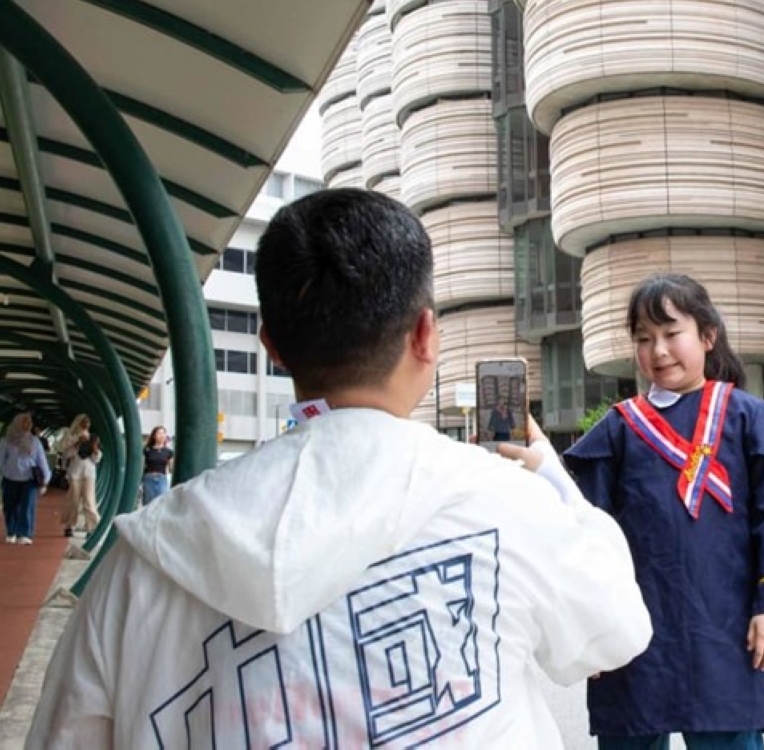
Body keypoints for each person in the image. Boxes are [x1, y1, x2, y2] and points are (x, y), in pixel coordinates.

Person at [28, 188, 653, 748]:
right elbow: (618, 627)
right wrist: (548, 474)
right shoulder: (501, 502)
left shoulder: (141, 562)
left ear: (270, 344)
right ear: (426, 334)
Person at [563, 274, 764, 749]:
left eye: (671, 333)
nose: (658, 350)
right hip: (634, 630)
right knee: (631, 730)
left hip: (724, 628)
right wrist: (587, 626)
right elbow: (586, 532)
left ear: (707, 335)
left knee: (728, 734)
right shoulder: (619, 430)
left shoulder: (748, 418)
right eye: (643, 338)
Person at [0, 412, 51, 545]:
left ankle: (25, 533)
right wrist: (4, 470)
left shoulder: (35, 441)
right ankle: (11, 531)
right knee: (10, 506)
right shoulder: (6, 440)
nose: (28, 425)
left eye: (29, 422)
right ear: (17, 422)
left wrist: (45, 480)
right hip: (10, 478)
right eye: (25, 422)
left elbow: (41, 461)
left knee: (27, 506)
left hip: (29, 479)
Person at [58, 414, 101, 538]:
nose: (86, 424)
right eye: (83, 422)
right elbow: (65, 453)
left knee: (89, 499)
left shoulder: (93, 437)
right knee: (73, 499)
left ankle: (91, 526)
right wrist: (77, 442)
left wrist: (95, 450)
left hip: (89, 471)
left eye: (87, 422)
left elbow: (96, 458)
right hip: (75, 471)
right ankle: (69, 525)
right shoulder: (71, 436)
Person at [140, 425, 173, 505]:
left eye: (163, 433)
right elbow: (142, 466)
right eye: (159, 433)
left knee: (162, 503)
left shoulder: (168, 452)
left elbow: (171, 468)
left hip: (162, 478)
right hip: (149, 478)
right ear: (154, 436)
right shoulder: (147, 450)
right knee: (148, 503)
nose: (162, 435)